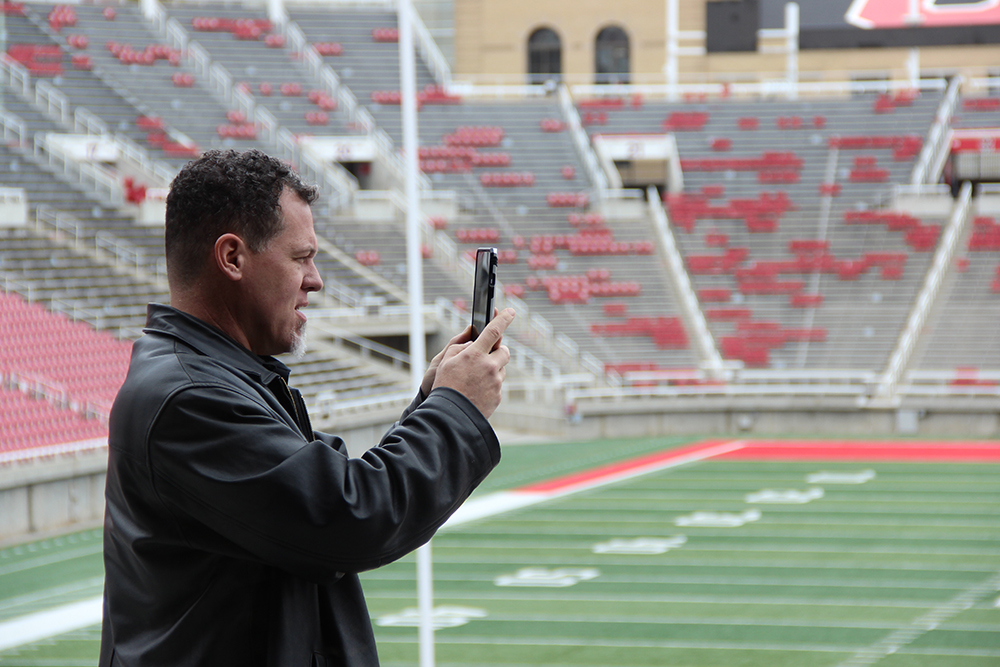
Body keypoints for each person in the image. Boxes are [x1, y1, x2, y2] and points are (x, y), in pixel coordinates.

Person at [100, 149, 514, 667]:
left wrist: (432, 401)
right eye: (301, 258)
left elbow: (329, 490)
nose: (316, 279)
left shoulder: (216, 377)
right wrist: (456, 409)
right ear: (232, 258)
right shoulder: (190, 398)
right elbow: (350, 517)